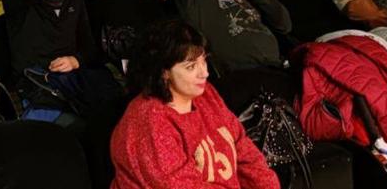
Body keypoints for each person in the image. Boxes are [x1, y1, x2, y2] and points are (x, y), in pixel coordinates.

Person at [110, 19, 278, 188]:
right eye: (191, 67)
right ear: (164, 72)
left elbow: (243, 149)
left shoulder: (206, 94)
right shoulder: (147, 121)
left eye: (203, 60)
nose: (204, 73)